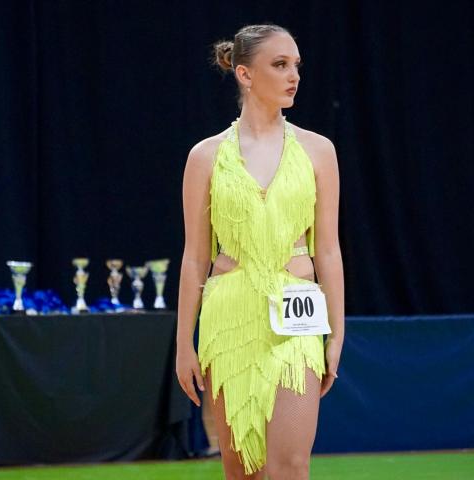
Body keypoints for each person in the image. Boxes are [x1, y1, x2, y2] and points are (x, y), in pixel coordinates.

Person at [176, 24, 344, 479]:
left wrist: (337, 333)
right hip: (229, 317)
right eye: (280, 65)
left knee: (290, 465)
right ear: (245, 74)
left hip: (296, 313)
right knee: (243, 468)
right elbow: (195, 257)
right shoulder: (205, 156)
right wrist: (184, 344)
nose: (294, 76)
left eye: (296, 66)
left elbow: (328, 250)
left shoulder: (318, 150)